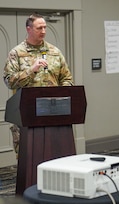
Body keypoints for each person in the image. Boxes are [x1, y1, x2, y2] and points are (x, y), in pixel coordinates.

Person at [3, 13, 74, 157]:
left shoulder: (54, 52)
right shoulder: (16, 53)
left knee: (55, 155)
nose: (43, 31)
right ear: (28, 29)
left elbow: (67, 79)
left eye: (45, 27)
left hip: (53, 114)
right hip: (27, 114)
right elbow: (9, 81)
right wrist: (31, 70)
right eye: (39, 28)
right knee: (29, 158)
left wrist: (61, 95)